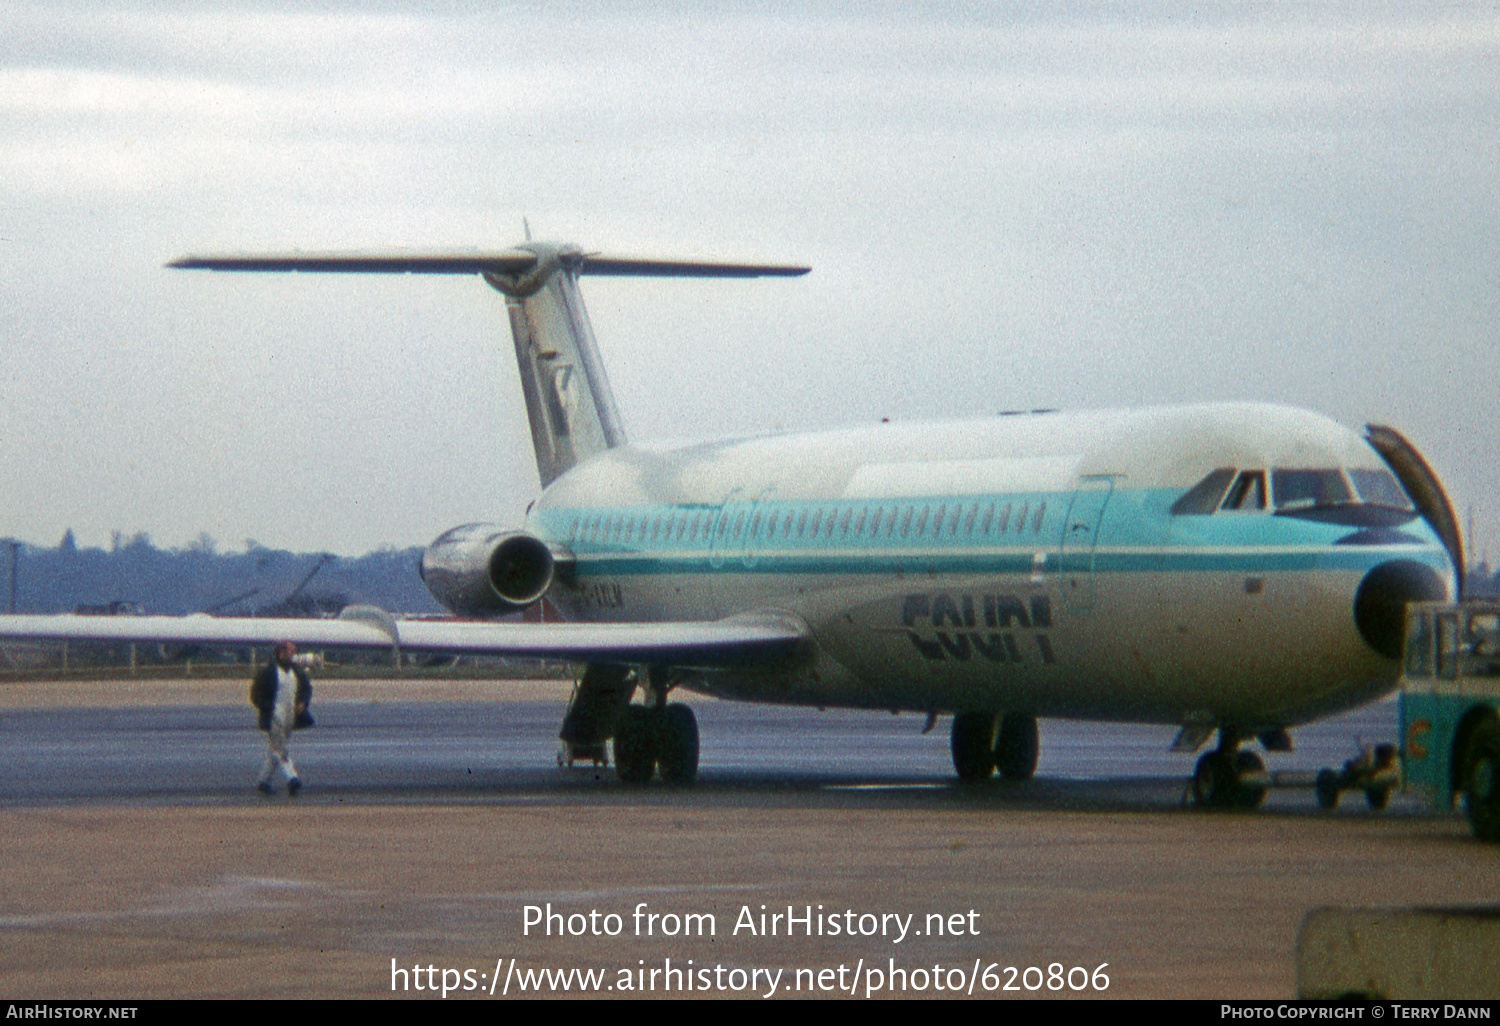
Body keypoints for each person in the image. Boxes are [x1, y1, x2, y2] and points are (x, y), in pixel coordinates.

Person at [250, 640, 314, 796]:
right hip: (274, 715)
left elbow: (306, 688)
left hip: (290, 714)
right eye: (289, 650)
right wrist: (268, 709)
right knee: (280, 748)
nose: (292, 653)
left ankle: (263, 782)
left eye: (293, 650)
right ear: (281, 652)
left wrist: (303, 703)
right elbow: (255, 695)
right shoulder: (268, 672)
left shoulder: (296, 671)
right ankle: (292, 778)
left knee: (276, 748)